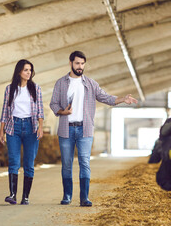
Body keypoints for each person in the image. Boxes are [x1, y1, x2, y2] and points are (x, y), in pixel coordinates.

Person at [50, 50, 138, 207]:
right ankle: (67, 195)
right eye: (77, 63)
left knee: (84, 162)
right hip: (66, 129)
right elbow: (53, 104)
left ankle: (84, 198)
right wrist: (64, 112)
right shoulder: (61, 83)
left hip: (85, 130)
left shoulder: (91, 84)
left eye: (82, 64)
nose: (80, 66)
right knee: (67, 164)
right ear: (70, 63)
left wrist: (123, 99)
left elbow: (107, 98)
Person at [0, 59, 44, 205]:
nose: (28, 73)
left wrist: (41, 127)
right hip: (14, 127)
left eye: (30, 70)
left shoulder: (36, 88)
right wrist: (2, 131)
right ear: (19, 71)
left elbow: (40, 110)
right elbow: (5, 111)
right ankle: (12, 194)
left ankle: (26, 197)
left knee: (29, 163)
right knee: (13, 161)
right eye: (26, 70)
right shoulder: (9, 89)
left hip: (31, 127)